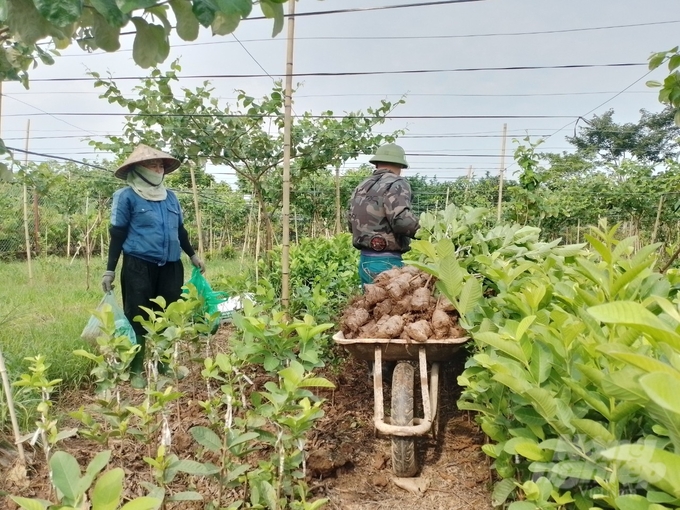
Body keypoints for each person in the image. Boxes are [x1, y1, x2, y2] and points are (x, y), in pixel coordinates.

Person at [101, 144, 205, 389]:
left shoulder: (170, 197)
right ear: (138, 169)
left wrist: (192, 255)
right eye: (152, 165)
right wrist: (110, 269)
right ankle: (137, 367)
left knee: (167, 314)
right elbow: (117, 234)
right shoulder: (125, 197)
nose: (158, 169)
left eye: (161, 165)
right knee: (137, 316)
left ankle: (162, 363)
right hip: (139, 265)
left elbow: (180, 230)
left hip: (171, 266)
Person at [348, 143, 420, 287]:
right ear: (400, 166)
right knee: (391, 307)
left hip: (365, 261)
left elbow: (351, 223)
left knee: (370, 306)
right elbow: (401, 219)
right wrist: (427, 232)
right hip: (387, 263)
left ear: (377, 164)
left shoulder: (362, 186)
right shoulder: (397, 183)